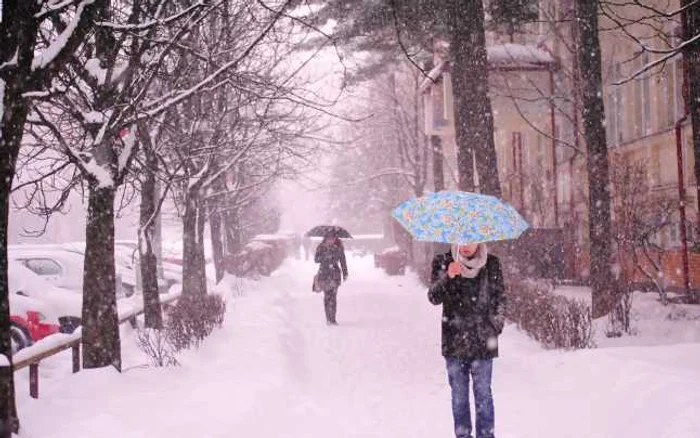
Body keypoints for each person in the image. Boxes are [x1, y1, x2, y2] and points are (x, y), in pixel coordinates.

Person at [428, 243, 506, 438]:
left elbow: (500, 298)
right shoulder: (444, 261)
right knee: (459, 398)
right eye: (461, 239)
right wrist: (448, 276)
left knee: (484, 397)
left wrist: (495, 326)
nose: (465, 245)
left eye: (471, 239)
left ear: (480, 240)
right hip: (454, 342)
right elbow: (433, 297)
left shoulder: (492, 264)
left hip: (483, 341)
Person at [314, 235, 348, 325]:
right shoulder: (321, 247)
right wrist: (325, 256)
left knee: (333, 297)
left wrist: (345, 273)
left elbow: (343, 261)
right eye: (329, 238)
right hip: (324, 274)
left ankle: (333, 318)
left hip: (334, 275)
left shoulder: (339, 248)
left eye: (333, 238)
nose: (331, 240)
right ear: (326, 238)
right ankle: (328, 318)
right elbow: (316, 259)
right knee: (327, 297)